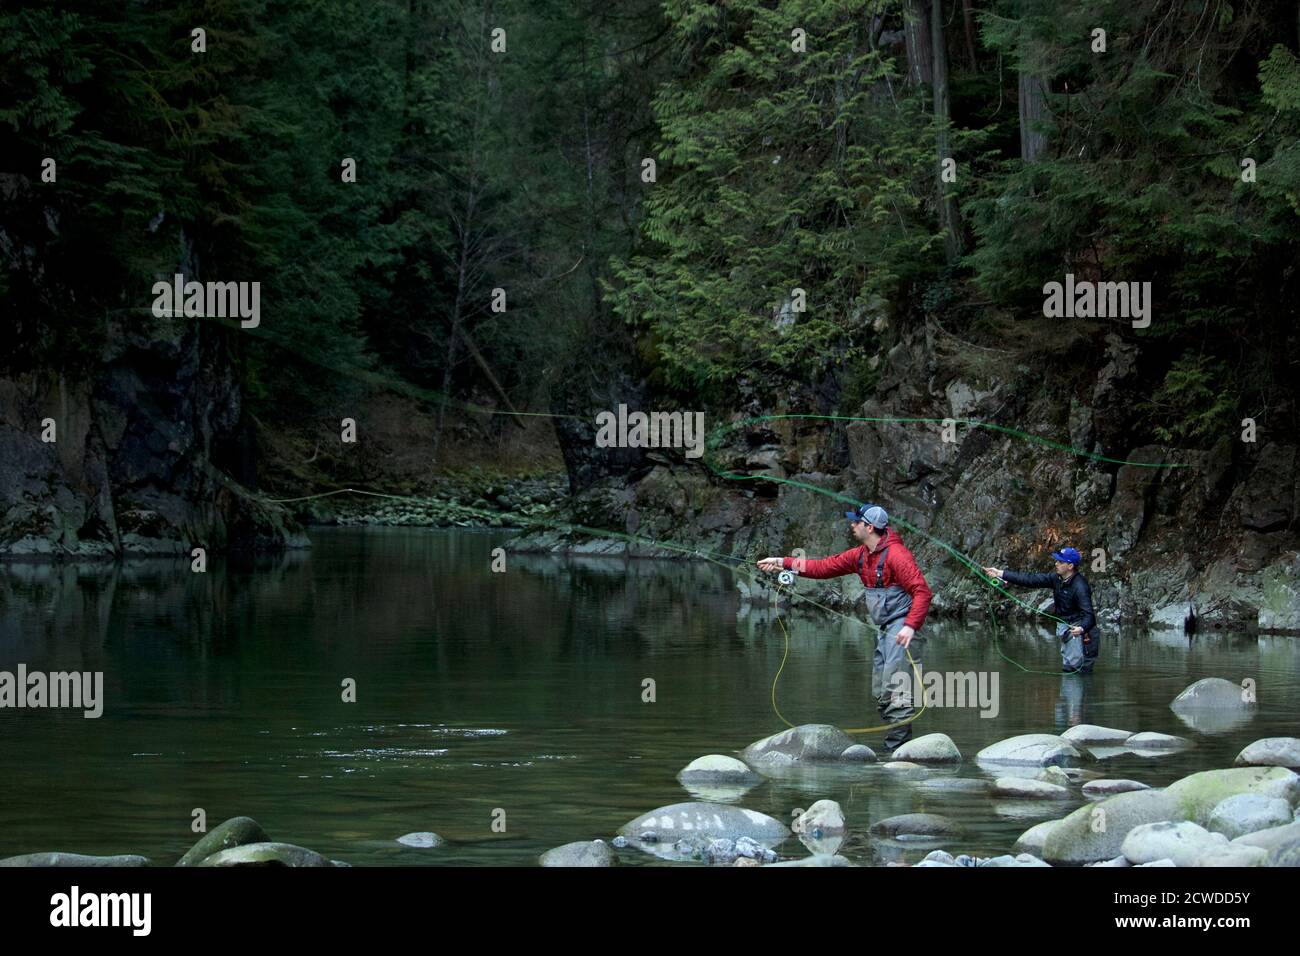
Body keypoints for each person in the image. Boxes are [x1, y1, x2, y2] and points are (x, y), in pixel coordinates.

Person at [757, 503, 933, 752]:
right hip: (885, 629)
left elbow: (922, 592)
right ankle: (897, 752)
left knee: (896, 691)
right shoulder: (861, 555)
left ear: (869, 527)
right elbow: (822, 567)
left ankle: (899, 752)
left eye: (856, 522)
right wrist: (782, 562)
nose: (852, 525)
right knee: (882, 692)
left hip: (902, 630)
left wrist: (910, 627)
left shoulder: (897, 555)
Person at [983, 547, 1099, 673]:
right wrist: (1000, 573)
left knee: (1075, 671)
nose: (1056, 564)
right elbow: (1030, 579)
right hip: (1067, 628)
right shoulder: (1056, 579)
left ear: (1070, 566)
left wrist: (1081, 629)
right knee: (1070, 670)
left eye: (1060, 562)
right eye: (1057, 561)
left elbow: (1090, 616)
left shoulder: (1080, 586)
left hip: (1081, 633)